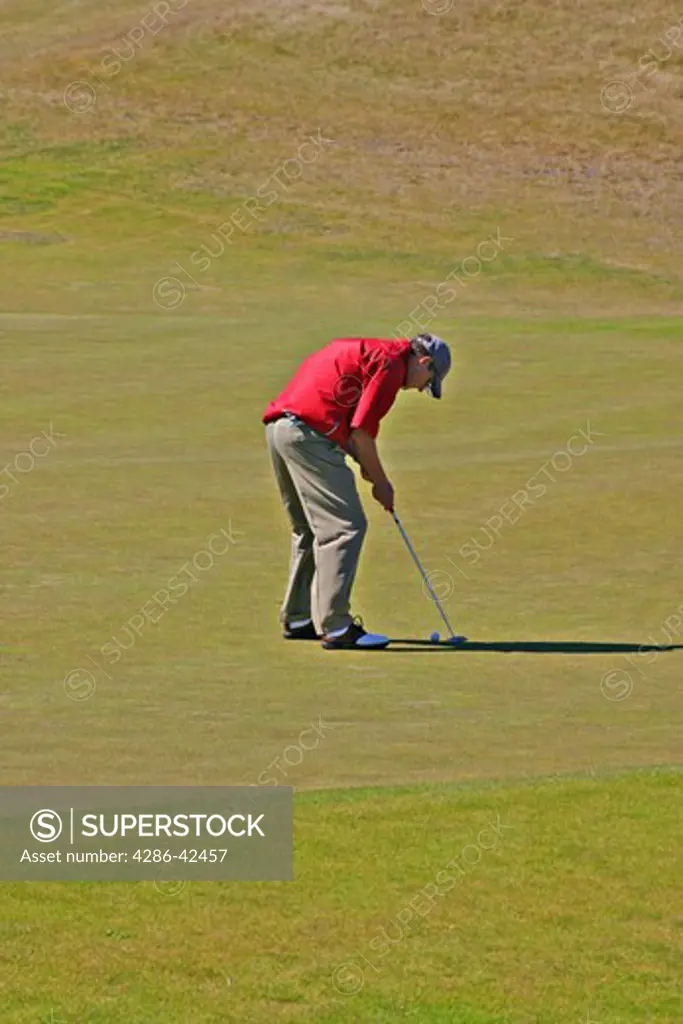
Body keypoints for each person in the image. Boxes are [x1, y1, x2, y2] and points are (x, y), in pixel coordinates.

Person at [263, 333, 452, 650]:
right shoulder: (391, 367)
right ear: (424, 362)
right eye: (427, 381)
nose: (420, 389)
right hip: (310, 436)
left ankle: (298, 618)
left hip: (281, 430)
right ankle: (336, 627)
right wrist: (382, 484)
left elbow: (354, 438)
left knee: (310, 528)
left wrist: (369, 470)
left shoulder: (377, 353)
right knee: (346, 527)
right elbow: (362, 435)